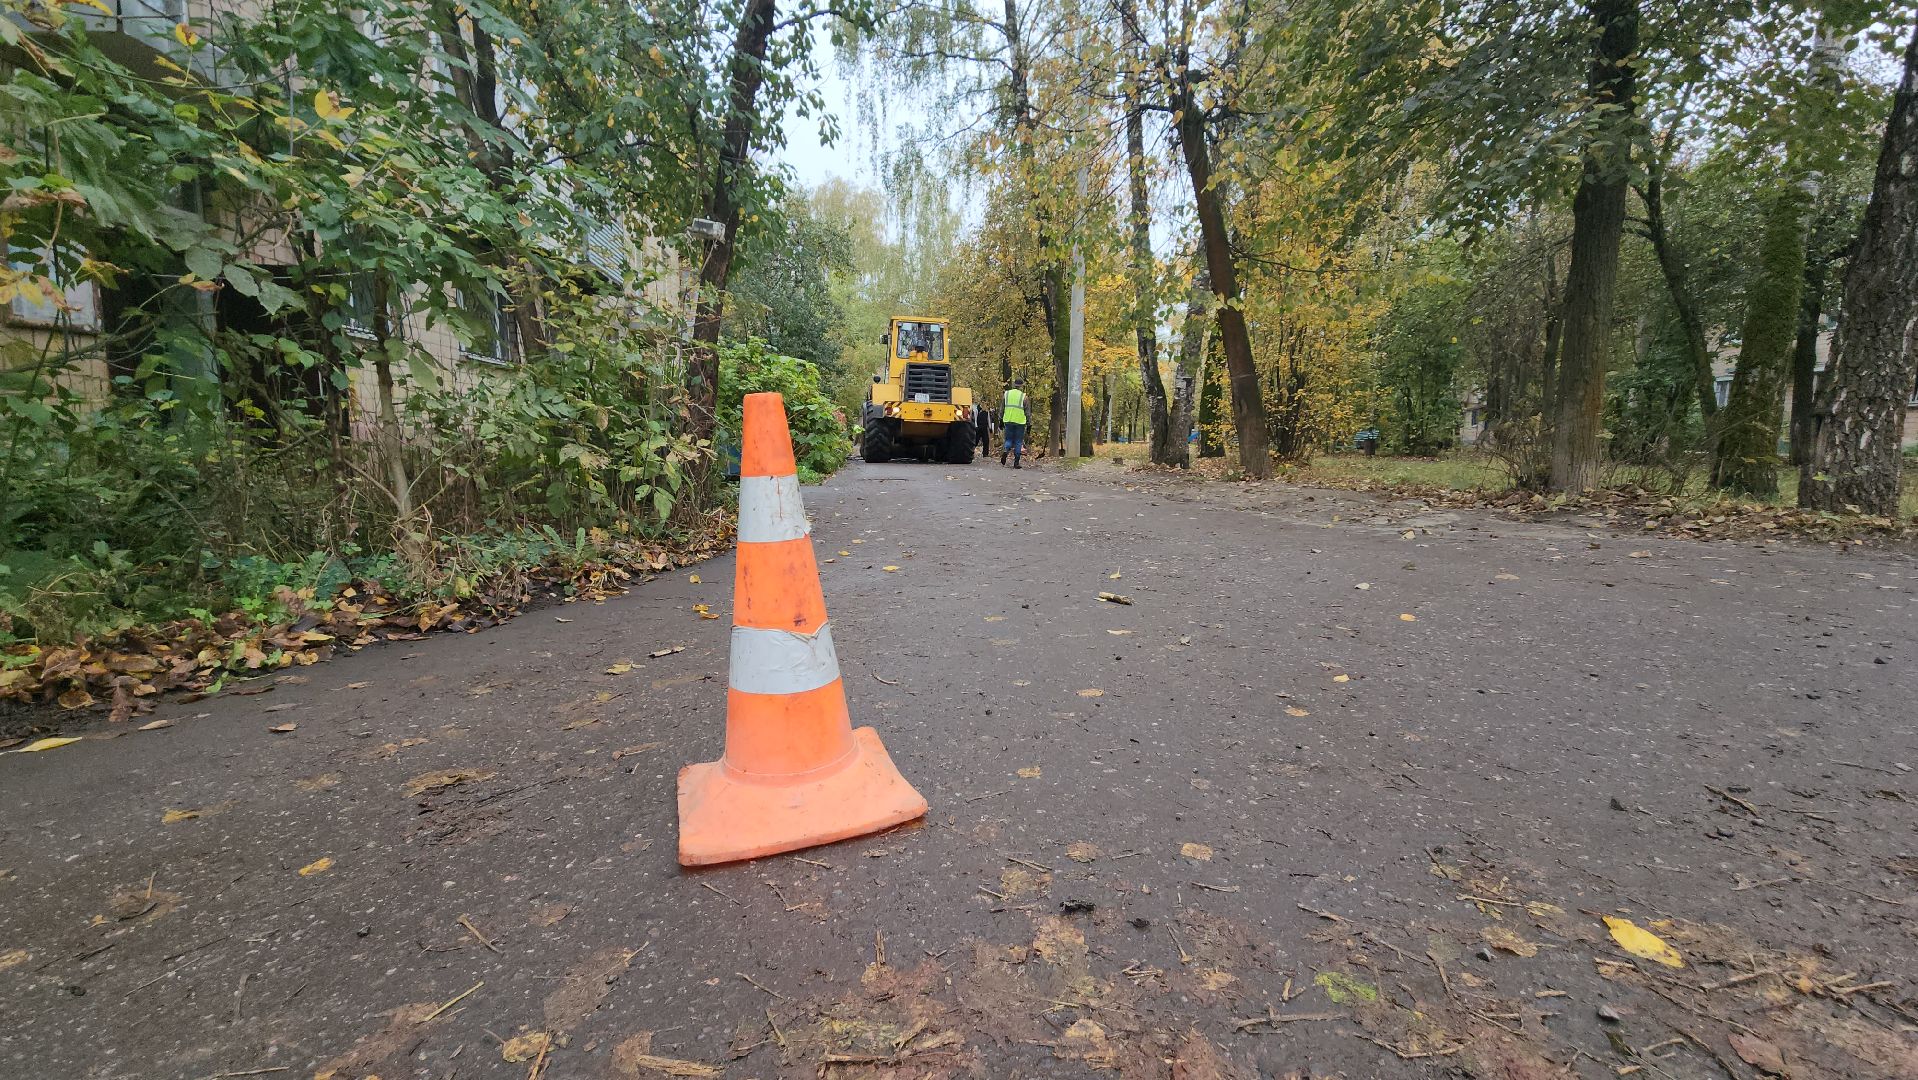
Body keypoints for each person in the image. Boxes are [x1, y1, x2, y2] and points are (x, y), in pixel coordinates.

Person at [1000, 378, 1028, 468]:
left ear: (1014, 384)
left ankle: (1005, 451)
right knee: (1018, 442)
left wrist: (1000, 419)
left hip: (1008, 420)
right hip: (1020, 422)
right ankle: (1016, 462)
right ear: (1021, 386)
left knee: (1008, 439)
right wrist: (1029, 424)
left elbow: (1002, 408)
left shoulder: (1006, 394)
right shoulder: (1024, 396)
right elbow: (1028, 412)